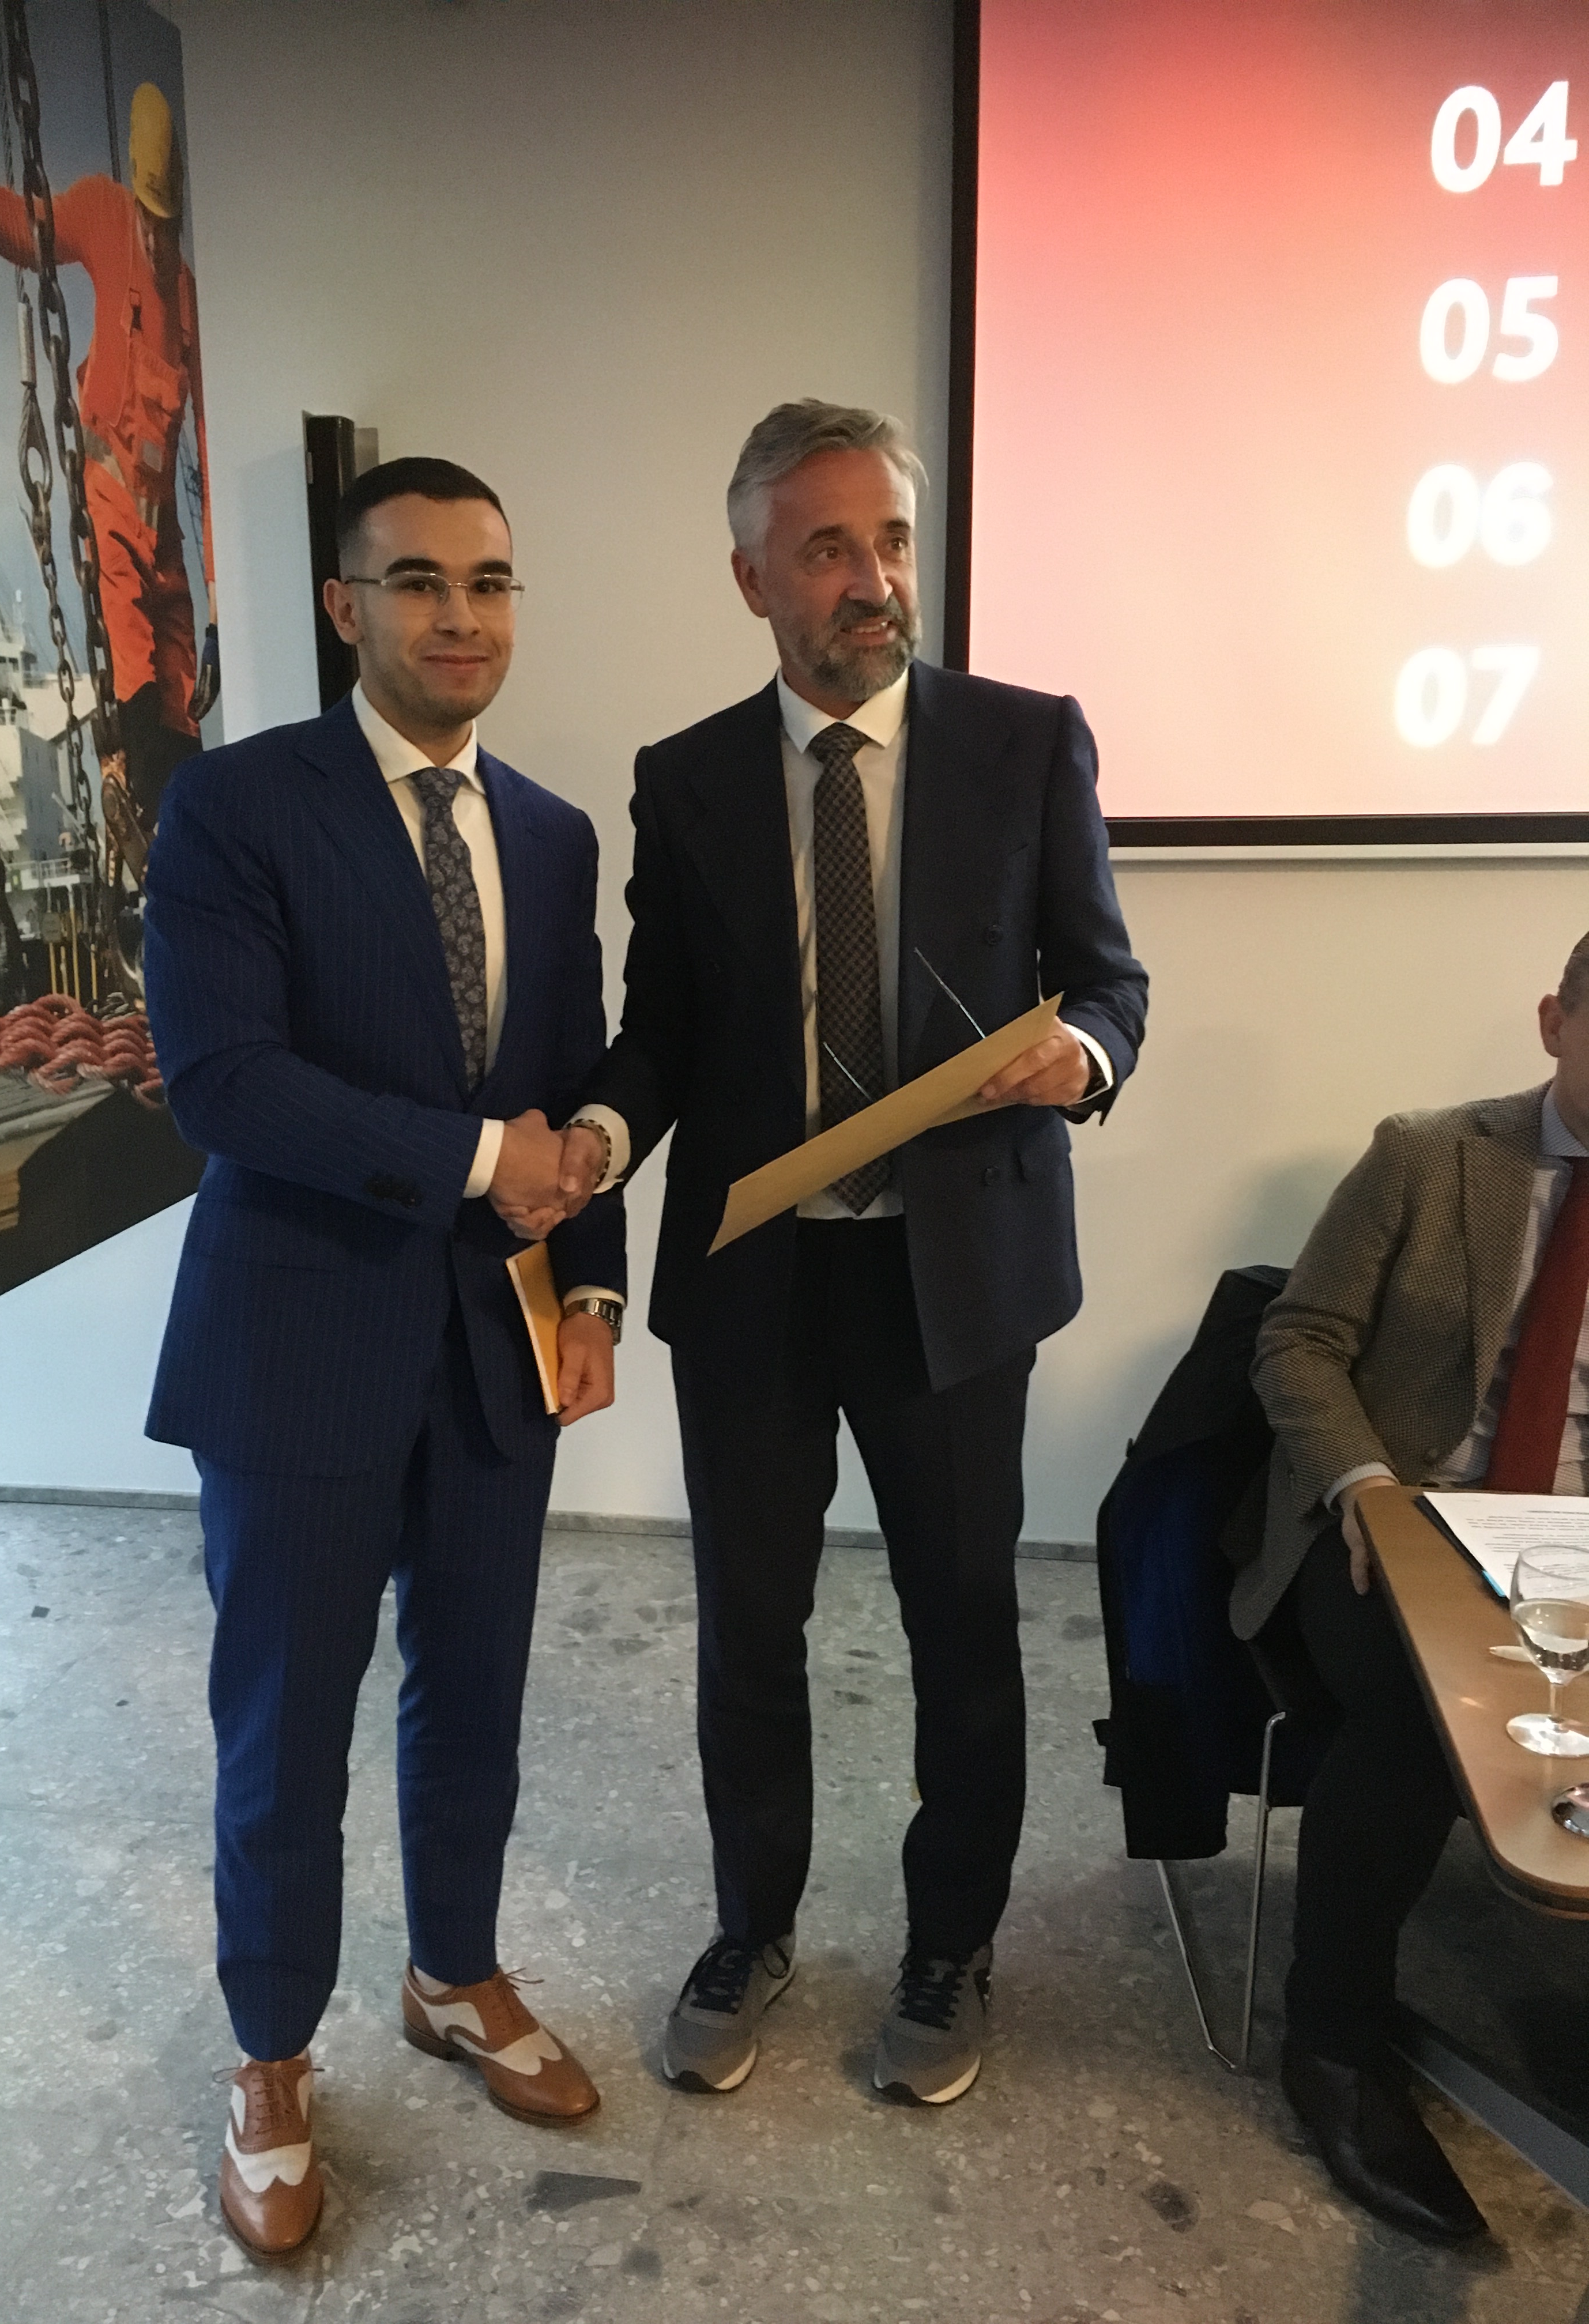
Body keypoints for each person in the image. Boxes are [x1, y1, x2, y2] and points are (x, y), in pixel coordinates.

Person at [533, 399, 1146, 2106]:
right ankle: (753, 1926)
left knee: (964, 1625)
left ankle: (951, 1949)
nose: (872, 579)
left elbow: (1110, 981)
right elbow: (662, 1030)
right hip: (758, 1279)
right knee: (750, 1626)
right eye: (826, 549)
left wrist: (1081, 1054)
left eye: (890, 541)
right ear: (752, 579)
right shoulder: (686, 780)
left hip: (958, 1279)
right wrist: (601, 1138)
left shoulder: (1028, 744)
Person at [141, 458, 623, 2259]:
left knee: (474, 1691)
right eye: (418, 581)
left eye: (489, 582)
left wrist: (591, 1292)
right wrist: (484, 1160)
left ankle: (451, 1972)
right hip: (296, 1346)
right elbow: (227, 1083)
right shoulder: (238, 806)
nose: (461, 616)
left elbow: (572, 1084)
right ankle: (272, 2055)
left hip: (498, 1349)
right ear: (347, 607)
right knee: (286, 1721)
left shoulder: (553, 836)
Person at [1241, 933, 1589, 2244]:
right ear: (1555, 1020)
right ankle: (1331, 2039)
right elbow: (1298, 1341)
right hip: (1403, 1516)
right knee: (1409, 1713)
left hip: (1578, 1537)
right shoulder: (1428, 1156)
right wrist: (1368, 1490)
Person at [0, 69, 218, 836]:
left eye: (169, 225)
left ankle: (184, 836)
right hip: (110, 504)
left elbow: (208, 446)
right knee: (133, 681)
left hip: (162, 535)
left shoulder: (190, 299)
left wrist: (218, 614)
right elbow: (23, 227)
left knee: (181, 709)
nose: (157, 240)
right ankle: (140, 804)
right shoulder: (104, 213)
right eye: (151, 220)